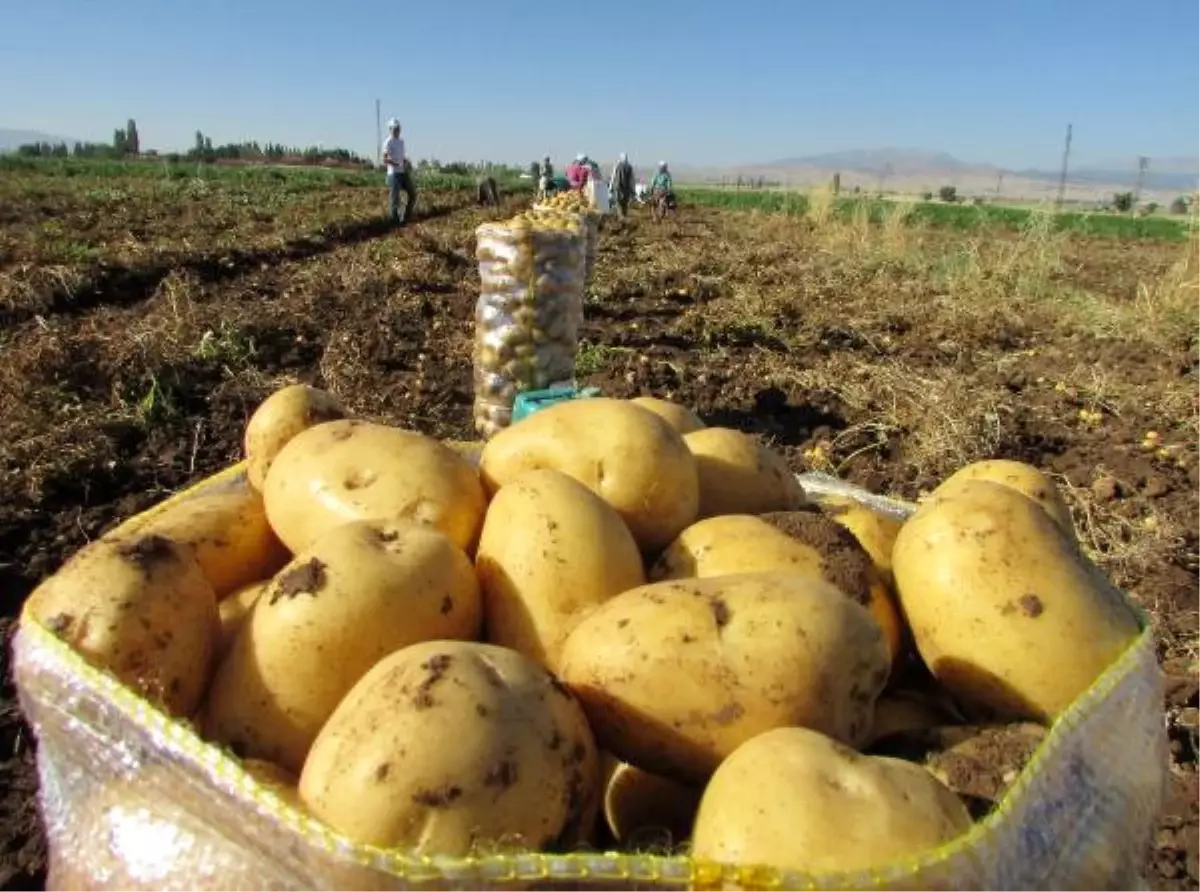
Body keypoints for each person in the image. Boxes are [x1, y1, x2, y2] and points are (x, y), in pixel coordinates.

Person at [381, 119, 416, 225]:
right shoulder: (388, 142)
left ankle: (406, 218)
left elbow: (402, 157)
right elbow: (385, 160)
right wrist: (397, 165)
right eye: (395, 128)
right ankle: (394, 222)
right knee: (395, 199)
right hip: (394, 174)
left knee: (413, 194)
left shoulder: (401, 141)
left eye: (398, 128)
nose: (397, 130)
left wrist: (406, 162)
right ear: (390, 129)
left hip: (403, 172)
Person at [609, 152, 635, 217]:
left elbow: (613, 176)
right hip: (626, 189)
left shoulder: (617, 165)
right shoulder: (630, 167)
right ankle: (624, 217)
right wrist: (633, 189)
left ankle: (621, 218)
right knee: (625, 204)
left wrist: (610, 187)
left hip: (617, 188)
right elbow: (632, 179)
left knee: (618, 203)